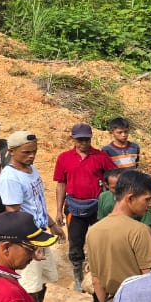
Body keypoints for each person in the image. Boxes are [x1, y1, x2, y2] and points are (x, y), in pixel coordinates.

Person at [0, 131, 66, 302]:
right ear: (11, 151)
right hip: (28, 236)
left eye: (34, 151)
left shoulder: (31, 170)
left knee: (44, 277)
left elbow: (38, 202)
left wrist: (52, 223)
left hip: (41, 232)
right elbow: (13, 213)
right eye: (26, 152)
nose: (31, 156)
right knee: (30, 282)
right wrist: (30, 242)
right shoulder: (10, 178)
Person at [84, 169, 151, 302]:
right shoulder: (139, 231)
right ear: (130, 198)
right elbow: (150, 278)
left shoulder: (93, 231)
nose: (149, 205)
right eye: (147, 199)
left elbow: (96, 280)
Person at [53, 122, 113, 292]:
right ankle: (78, 276)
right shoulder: (64, 158)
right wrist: (58, 210)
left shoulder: (100, 157)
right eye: (80, 140)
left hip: (97, 207)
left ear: (91, 138)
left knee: (101, 241)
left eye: (86, 139)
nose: (83, 143)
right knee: (75, 243)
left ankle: (99, 273)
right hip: (74, 207)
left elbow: (112, 179)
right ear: (73, 139)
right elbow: (61, 184)